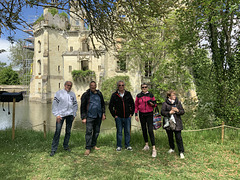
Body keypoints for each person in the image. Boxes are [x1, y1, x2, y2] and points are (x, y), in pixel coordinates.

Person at [50, 81, 78, 156]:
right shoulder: (59, 93)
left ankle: (65, 146)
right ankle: (53, 149)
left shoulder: (72, 94)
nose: (69, 86)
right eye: (68, 85)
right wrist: (57, 115)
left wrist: (74, 114)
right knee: (57, 132)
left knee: (68, 131)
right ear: (65, 85)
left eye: (70, 85)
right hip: (61, 115)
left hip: (70, 115)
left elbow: (75, 104)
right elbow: (54, 104)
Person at [81, 81, 106, 156]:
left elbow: (102, 104)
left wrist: (103, 113)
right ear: (89, 86)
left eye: (94, 85)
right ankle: (88, 148)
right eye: (91, 85)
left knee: (96, 132)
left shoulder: (99, 94)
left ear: (96, 86)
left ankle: (93, 145)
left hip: (98, 115)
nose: (93, 87)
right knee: (89, 132)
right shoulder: (86, 95)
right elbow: (82, 107)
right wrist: (83, 117)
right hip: (90, 116)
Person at [109, 80, 135, 151]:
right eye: (120, 85)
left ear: (124, 86)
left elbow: (132, 104)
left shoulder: (128, 94)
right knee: (119, 132)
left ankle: (127, 145)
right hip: (119, 117)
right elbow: (110, 106)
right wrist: (114, 115)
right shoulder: (114, 95)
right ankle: (119, 146)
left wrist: (131, 114)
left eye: (122, 85)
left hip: (127, 117)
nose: (121, 86)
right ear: (118, 86)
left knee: (127, 131)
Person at [135, 83, 157, 157]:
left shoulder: (151, 95)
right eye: (143, 87)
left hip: (149, 114)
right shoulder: (139, 95)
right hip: (142, 114)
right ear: (141, 88)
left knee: (150, 130)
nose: (144, 88)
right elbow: (136, 105)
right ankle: (146, 144)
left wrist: (152, 104)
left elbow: (155, 104)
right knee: (144, 129)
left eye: (145, 87)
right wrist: (136, 114)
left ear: (147, 88)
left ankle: (154, 148)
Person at [161, 90, 185, 159]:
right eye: (173, 95)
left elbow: (183, 112)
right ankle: (172, 148)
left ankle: (181, 152)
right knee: (170, 136)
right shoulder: (165, 103)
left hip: (177, 122)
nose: (175, 96)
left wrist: (178, 111)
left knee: (178, 137)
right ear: (169, 96)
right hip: (168, 122)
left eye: (175, 95)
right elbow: (162, 112)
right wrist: (169, 113)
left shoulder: (178, 103)